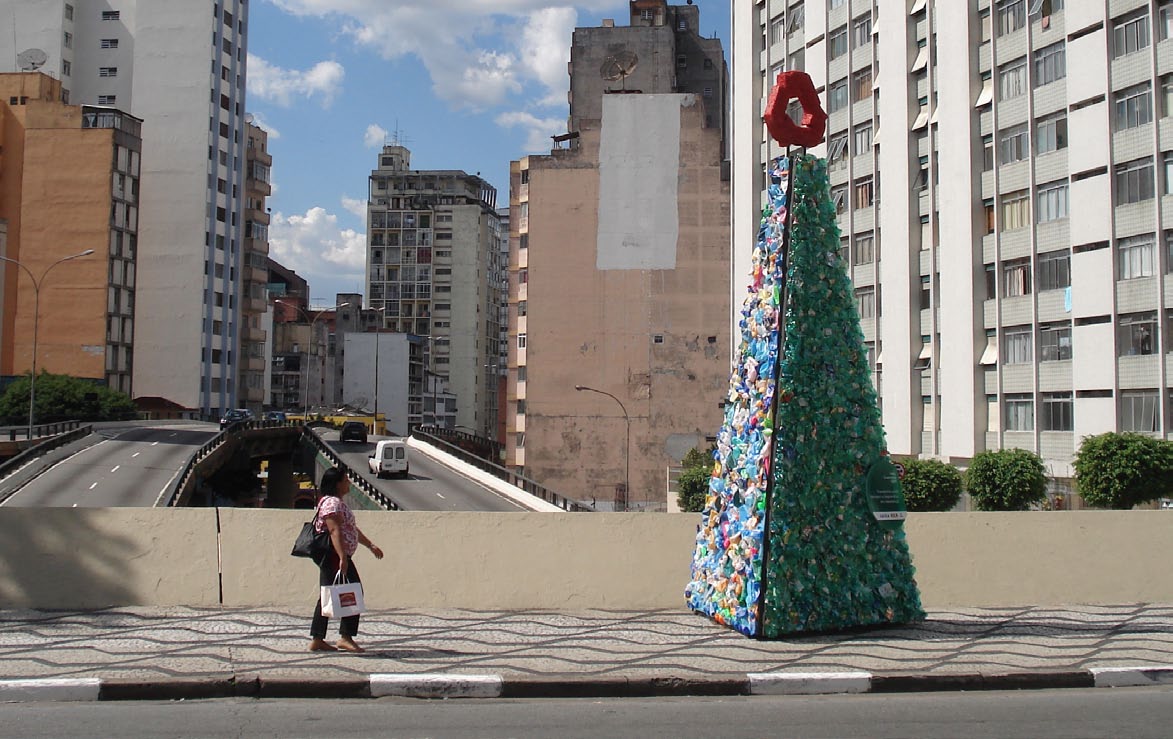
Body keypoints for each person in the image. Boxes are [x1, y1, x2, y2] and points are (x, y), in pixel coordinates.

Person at [309, 467, 383, 653]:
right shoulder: (332, 504)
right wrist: (342, 557)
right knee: (354, 590)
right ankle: (345, 637)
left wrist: (370, 545)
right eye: (345, 480)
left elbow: (351, 529)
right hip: (334, 555)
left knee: (327, 594)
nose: (348, 483)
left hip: (336, 555)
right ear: (337, 484)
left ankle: (318, 638)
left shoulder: (336, 503)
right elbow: (334, 531)